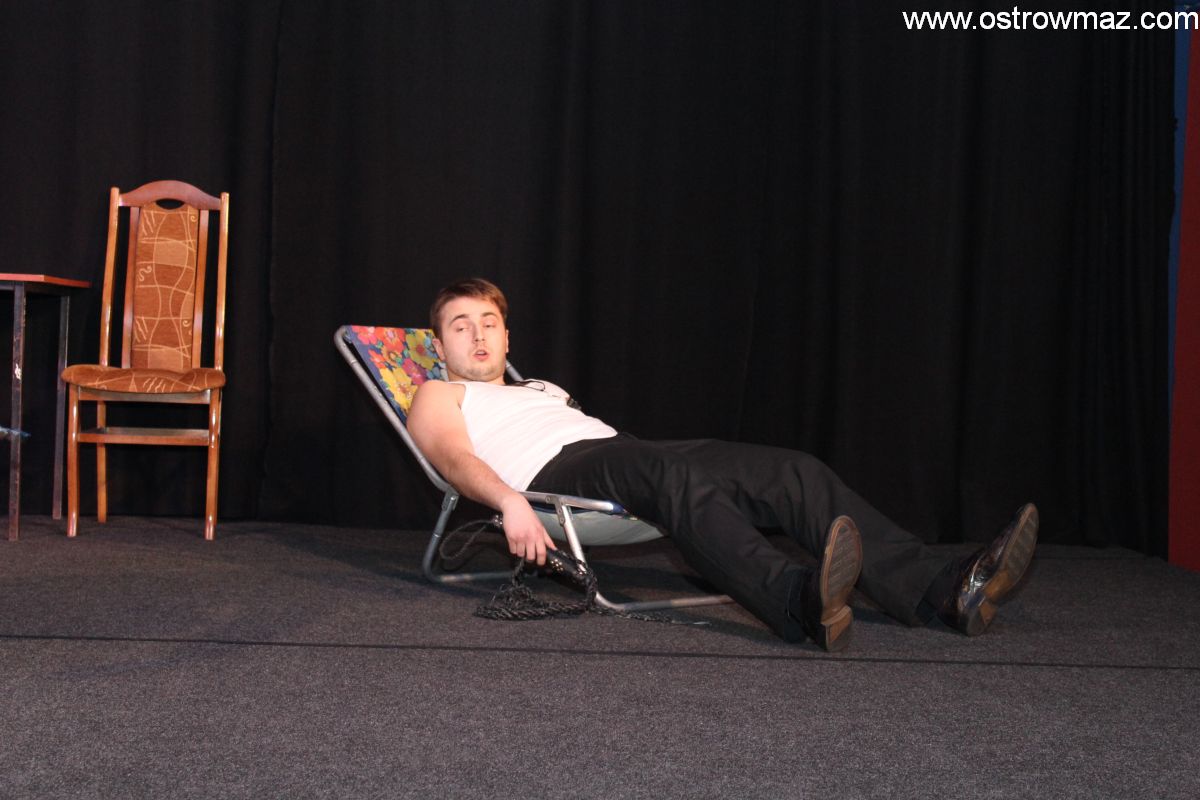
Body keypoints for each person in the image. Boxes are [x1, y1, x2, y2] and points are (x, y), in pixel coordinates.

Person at [408, 278, 1038, 651]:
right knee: (661, 471)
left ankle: (942, 590)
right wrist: (510, 501)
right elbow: (452, 459)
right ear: (439, 345)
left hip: (624, 454)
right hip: (551, 475)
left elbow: (621, 453)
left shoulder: (543, 388)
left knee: (792, 471)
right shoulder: (438, 392)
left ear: (509, 337)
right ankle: (794, 600)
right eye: (461, 326)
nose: (479, 335)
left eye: (489, 322)